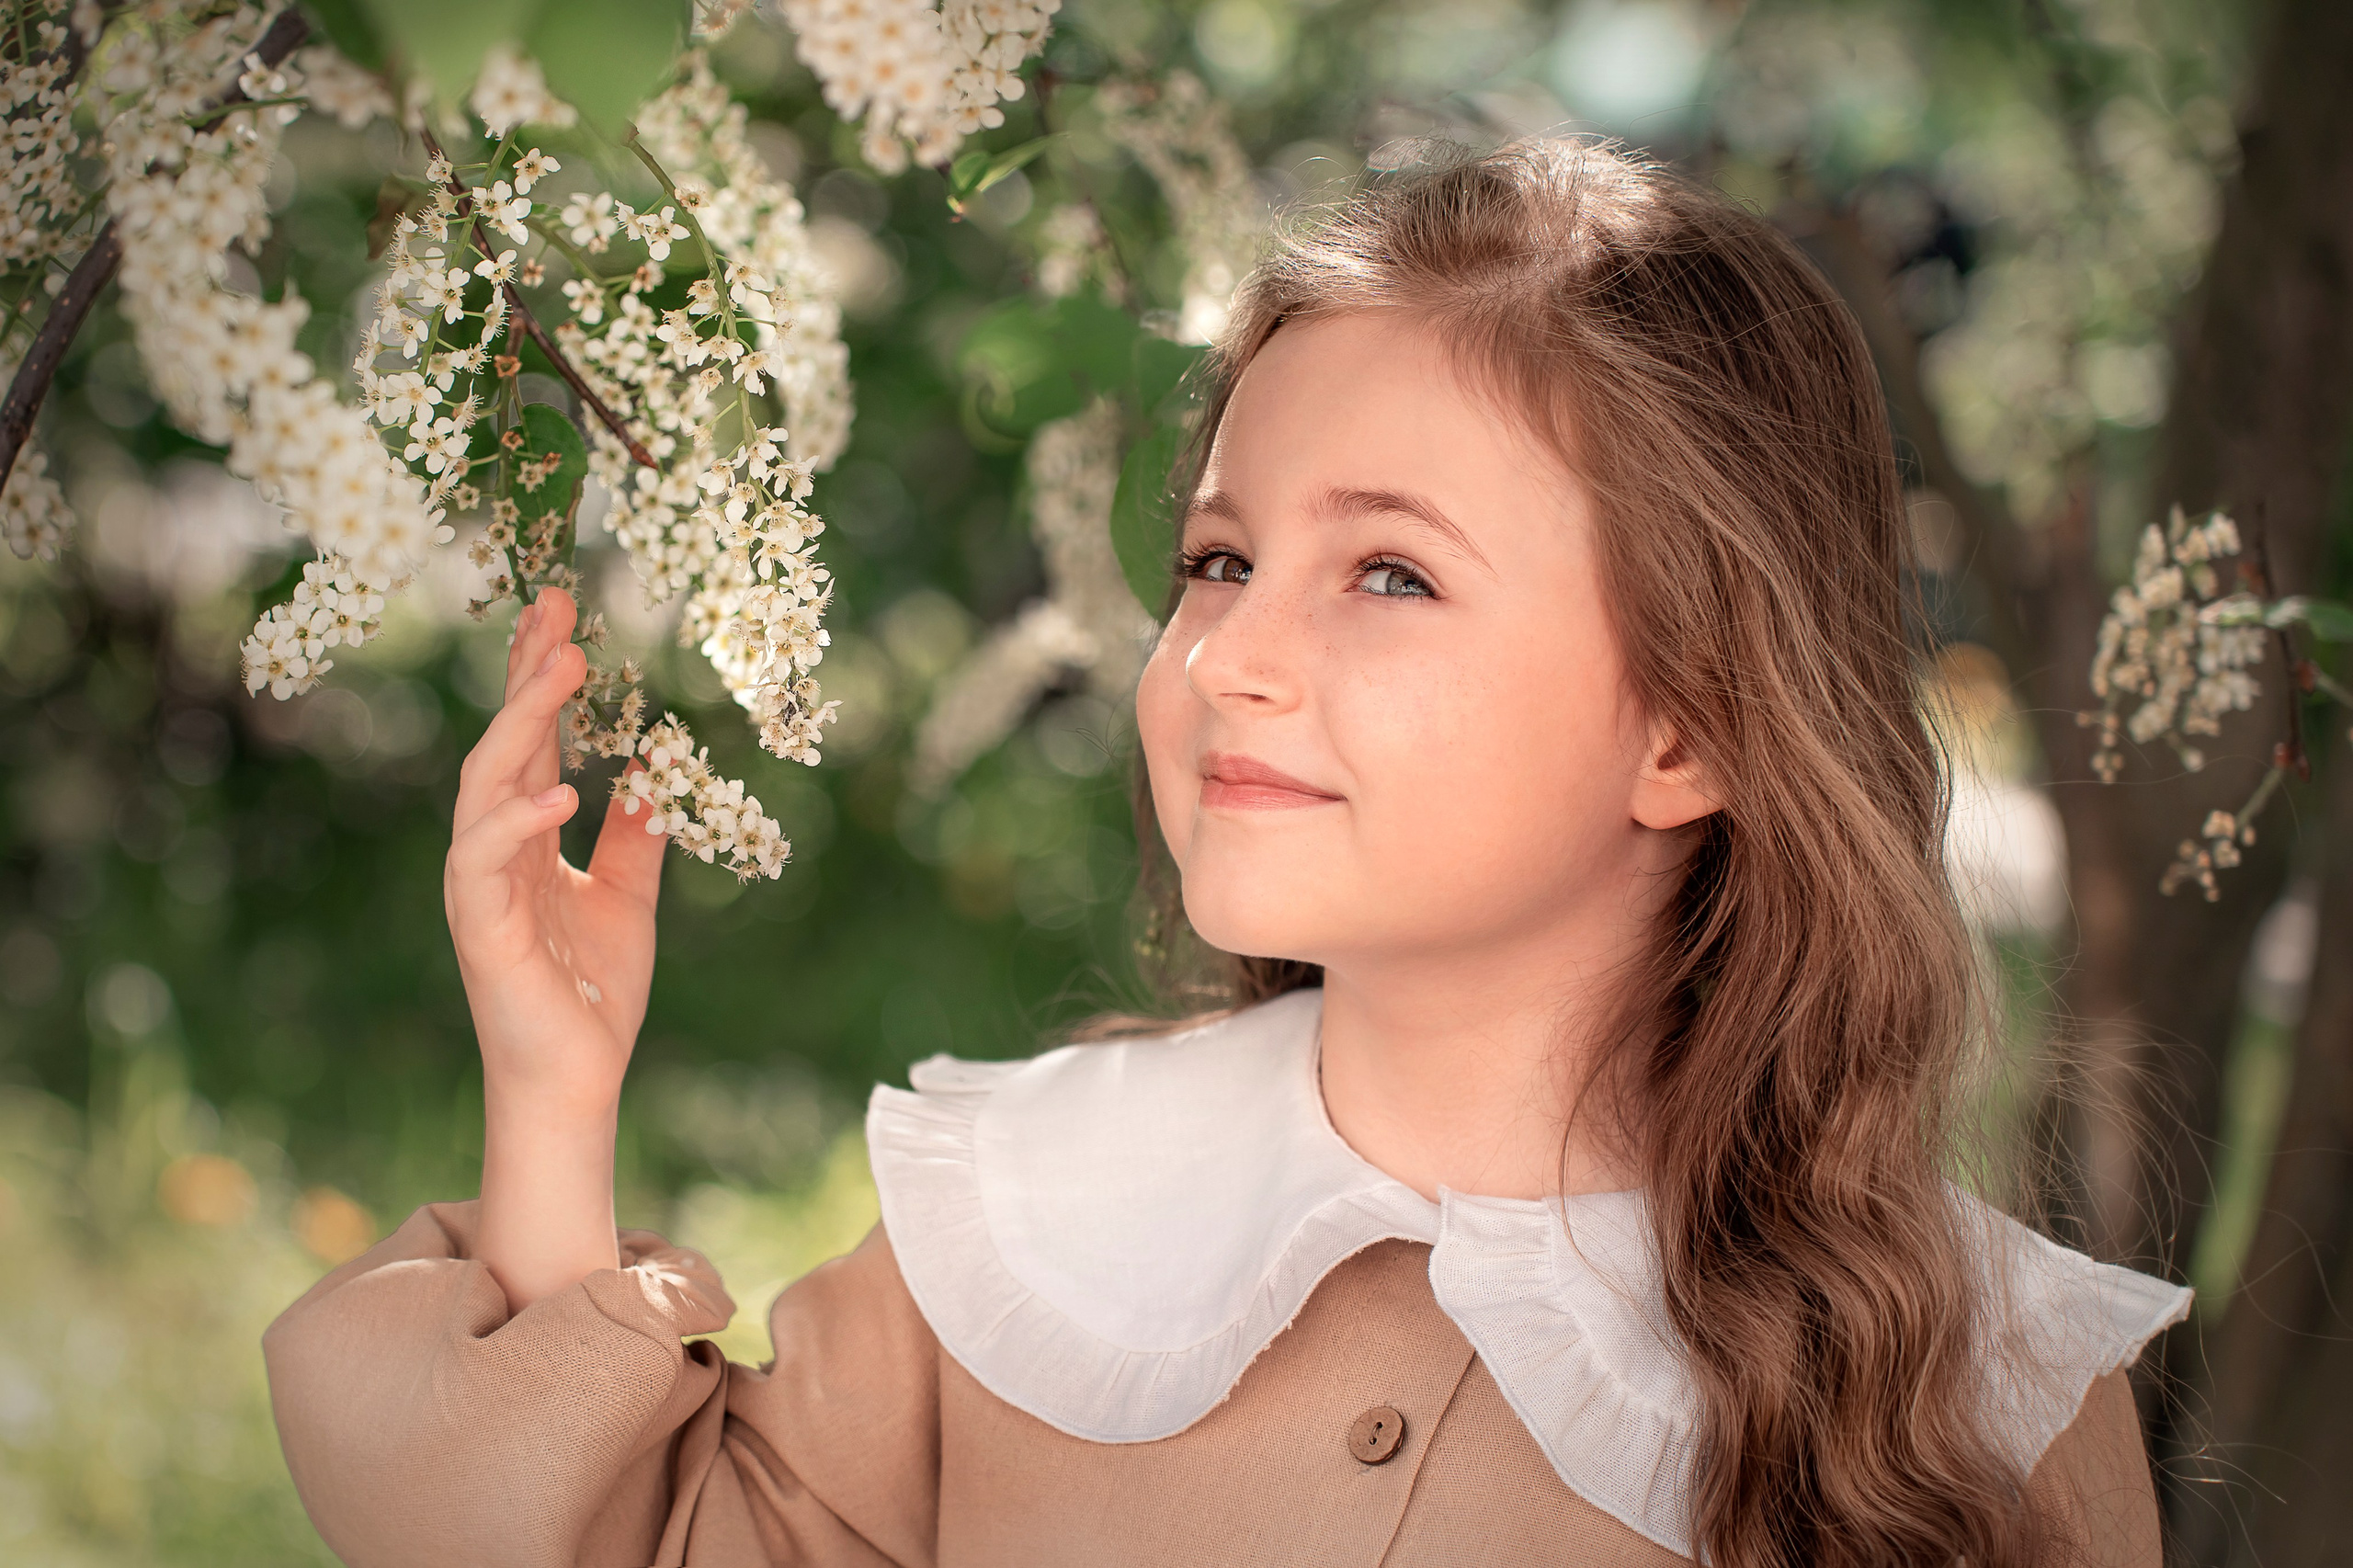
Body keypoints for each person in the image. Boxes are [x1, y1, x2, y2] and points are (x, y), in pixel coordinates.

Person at [262, 141, 2188, 1568]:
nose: (1226, 657)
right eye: (1216, 560)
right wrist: (554, 1094)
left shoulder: (1987, 1409)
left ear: (1689, 723)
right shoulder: (1028, 1227)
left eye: (1388, 572)